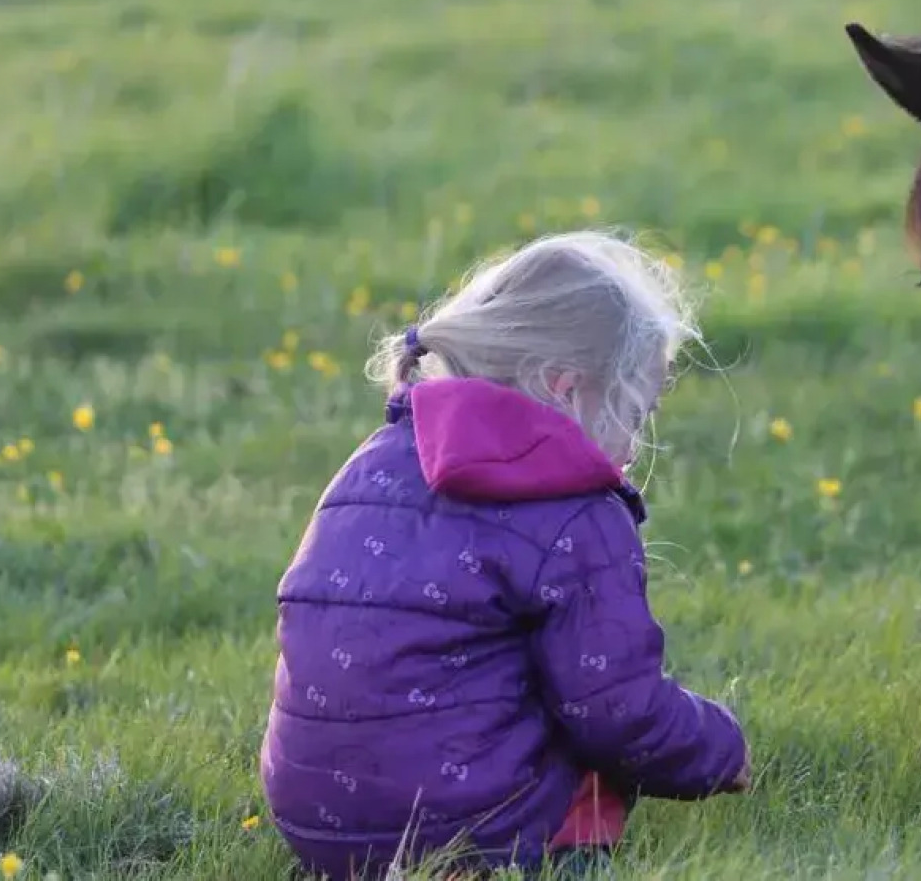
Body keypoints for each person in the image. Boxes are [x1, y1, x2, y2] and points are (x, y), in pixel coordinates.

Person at [260, 231, 751, 880]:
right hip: (468, 836)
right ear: (565, 388)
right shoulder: (575, 508)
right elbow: (616, 710)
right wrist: (720, 749)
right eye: (637, 409)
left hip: (315, 826)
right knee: (589, 766)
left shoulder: (375, 458)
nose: (634, 443)